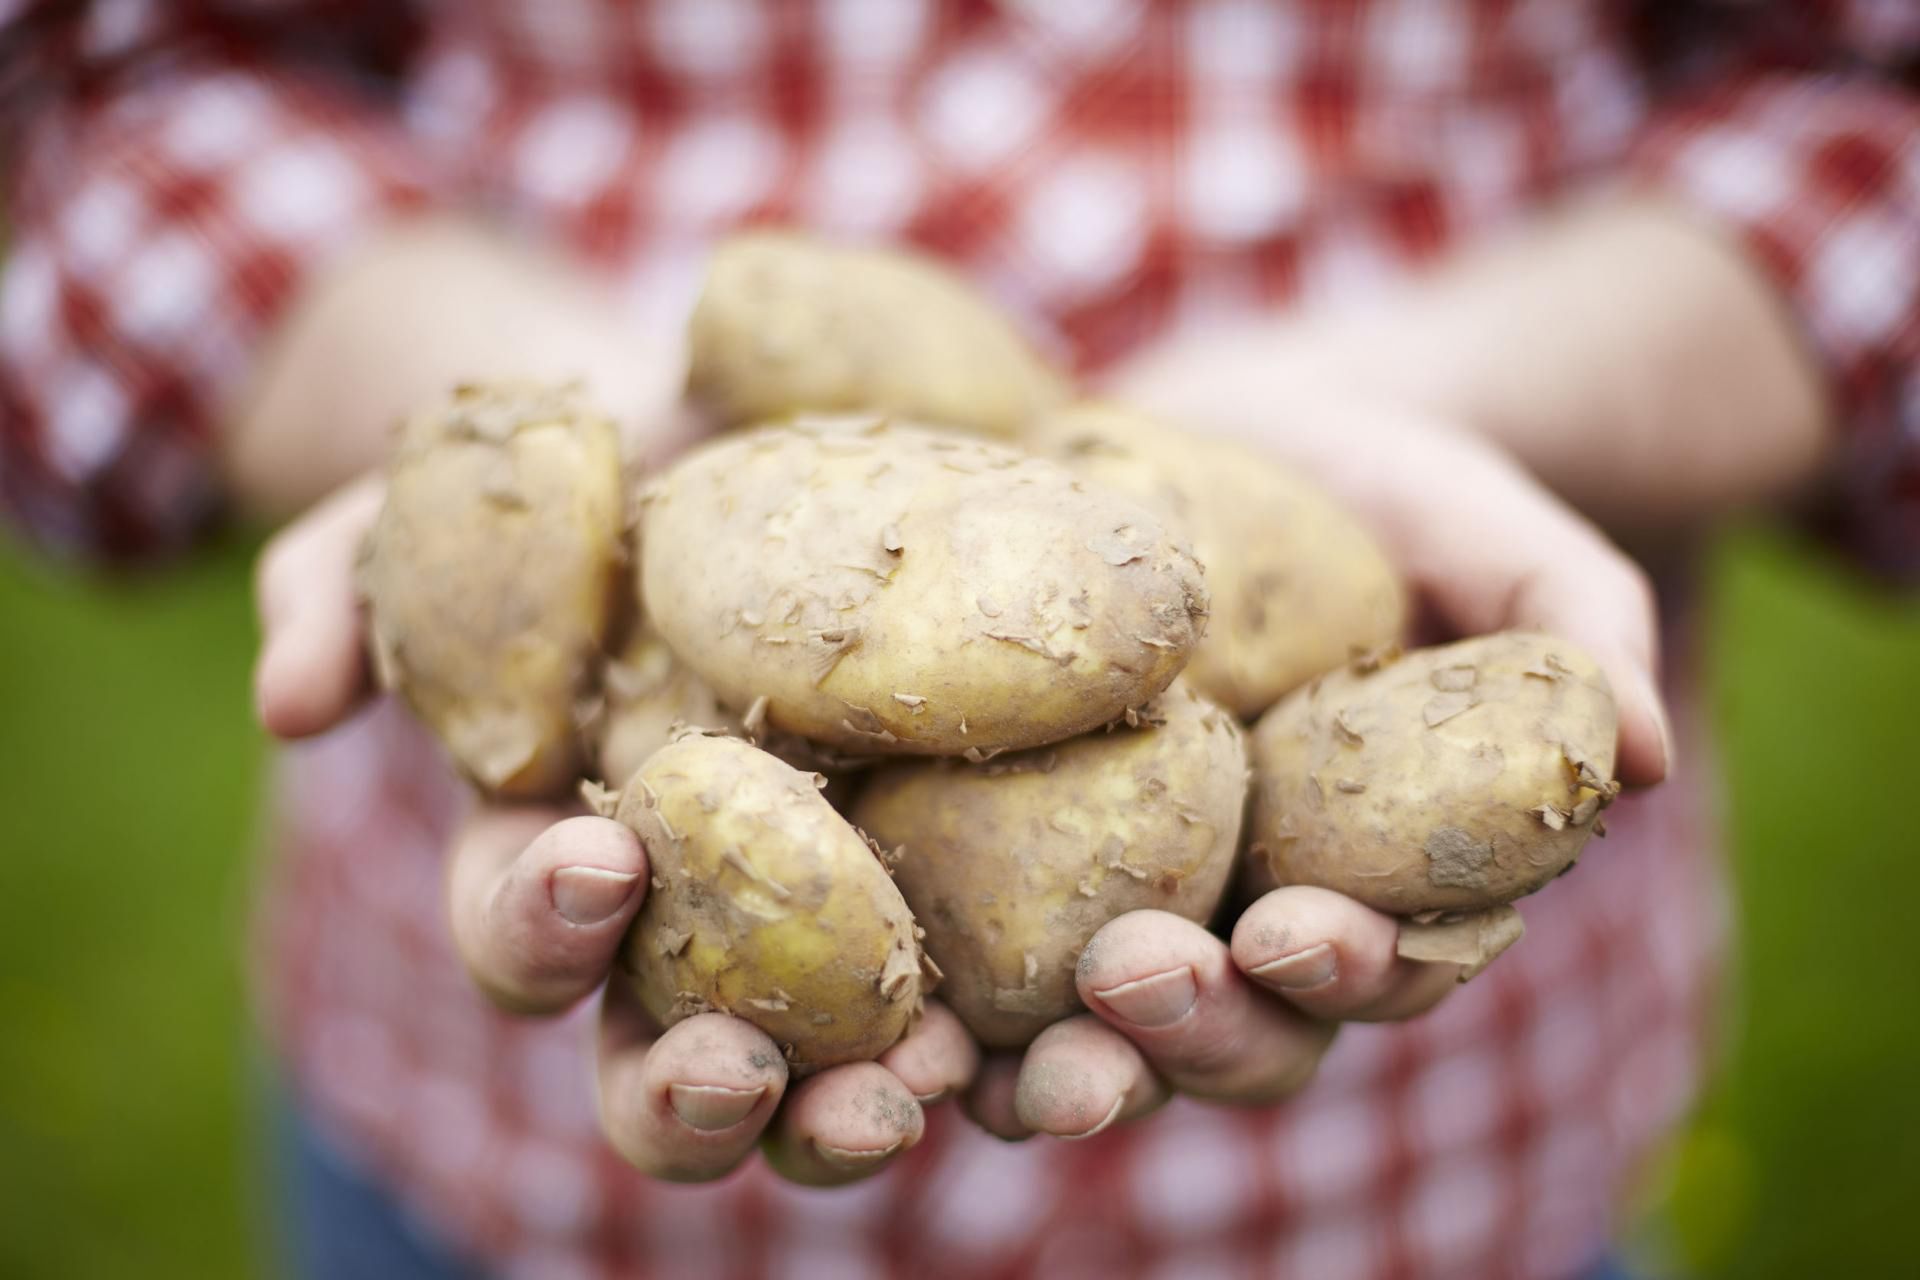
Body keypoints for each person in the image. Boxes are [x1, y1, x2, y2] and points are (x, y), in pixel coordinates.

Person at [3, 1, 1913, 1276]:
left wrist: (1455, 384)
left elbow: (1871, 113)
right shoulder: (686, 618)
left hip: (1449, 1191)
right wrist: (492, 414)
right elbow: (114, 88)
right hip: (486, 1172)